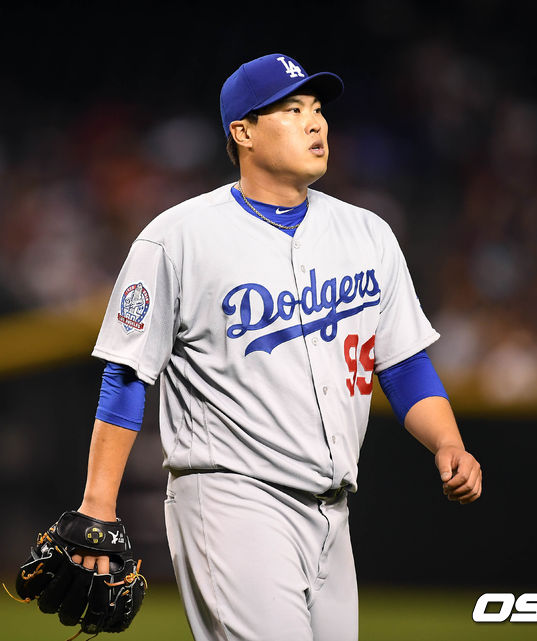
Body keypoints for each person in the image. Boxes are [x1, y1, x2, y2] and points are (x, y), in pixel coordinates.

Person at [74, 53, 482, 641]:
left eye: (316, 109)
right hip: (231, 499)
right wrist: (98, 503)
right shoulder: (177, 238)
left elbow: (402, 364)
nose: (315, 122)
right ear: (243, 132)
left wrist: (448, 442)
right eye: (291, 110)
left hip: (333, 511)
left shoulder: (367, 233)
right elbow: (127, 374)